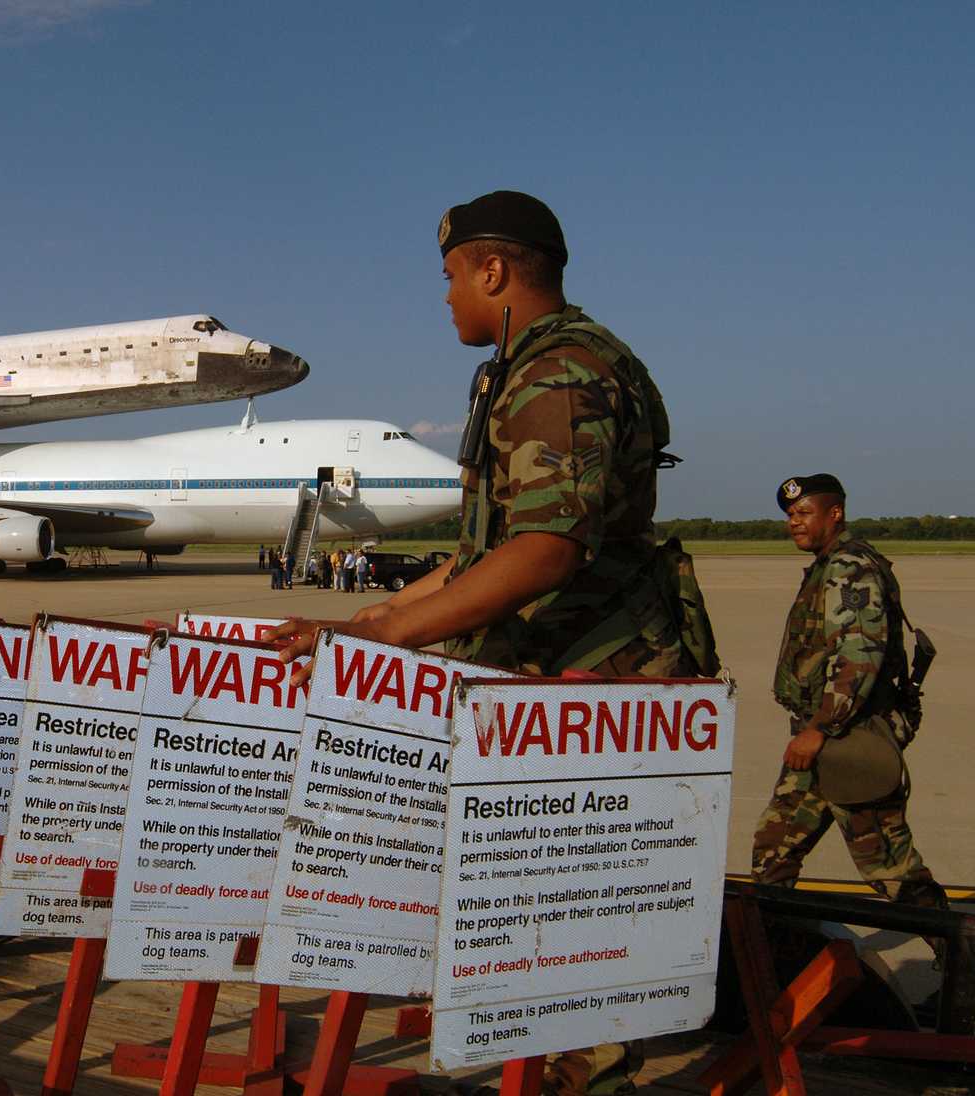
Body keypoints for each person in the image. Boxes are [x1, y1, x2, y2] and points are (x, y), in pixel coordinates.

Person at [270, 190, 698, 1096]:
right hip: (555, 682)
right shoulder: (522, 369)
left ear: (494, 271)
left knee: (576, 922)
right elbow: (480, 554)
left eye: (452, 277)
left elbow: (544, 552)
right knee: (526, 909)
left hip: (593, 685)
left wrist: (383, 639)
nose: (447, 298)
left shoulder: (561, 373)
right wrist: (367, 629)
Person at [751, 474, 948, 913]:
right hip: (821, 742)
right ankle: (777, 956)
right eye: (789, 515)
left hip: (848, 738)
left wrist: (820, 729)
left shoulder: (848, 566)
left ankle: (962, 959)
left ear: (835, 513)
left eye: (804, 513)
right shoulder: (830, 563)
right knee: (774, 850)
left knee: (889, 867)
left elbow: (858, 656)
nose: (794, 523)